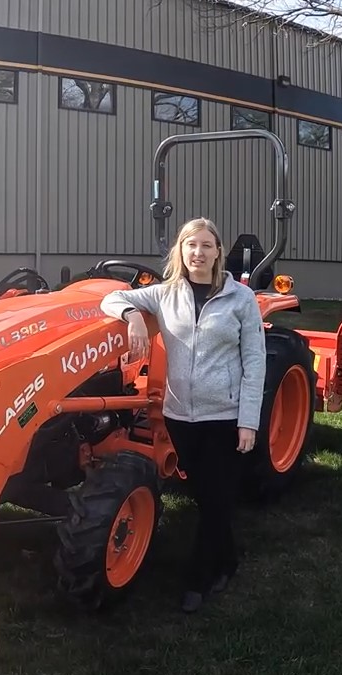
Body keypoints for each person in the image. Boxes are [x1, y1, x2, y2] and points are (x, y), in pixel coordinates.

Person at [100, 216, 267, 613]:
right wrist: (133, 317)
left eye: (207, 245)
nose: (198, 253)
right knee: (206, 497)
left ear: (218, 253)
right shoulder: (165, 293)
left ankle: (198, 580)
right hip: (180, 415)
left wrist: (248, 420)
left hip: (224, 416)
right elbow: (111, 299)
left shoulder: (239, 298)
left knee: (214, 499)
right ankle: (228, 560)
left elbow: (255, 359)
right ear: (181, 251)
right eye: (191, 245)